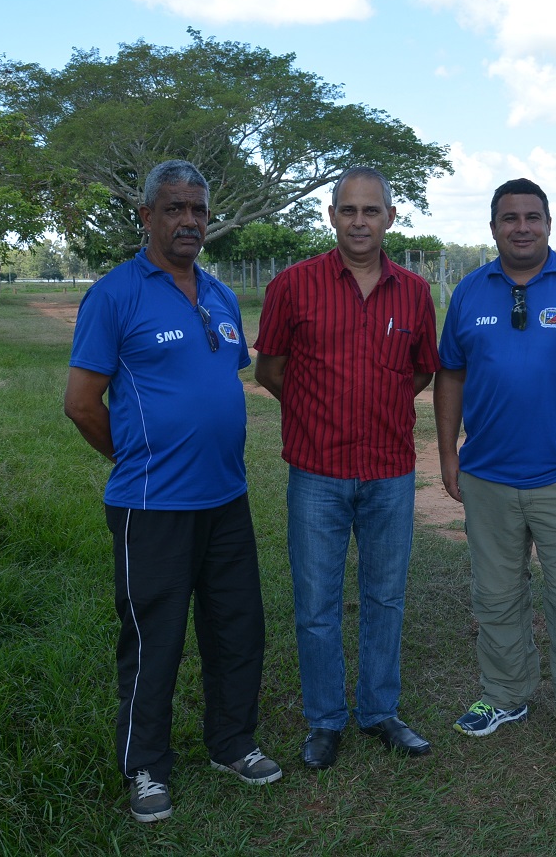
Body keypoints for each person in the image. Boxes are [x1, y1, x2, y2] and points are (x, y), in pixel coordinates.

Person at [63, 159, 280, 824]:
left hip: (226, 498)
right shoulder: (115, 295)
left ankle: (231, 741)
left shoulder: (217, 295)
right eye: (175, 209)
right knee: (154, 640)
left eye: (199, 211)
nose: (189, 221)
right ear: (147, 216)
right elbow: (81, 403)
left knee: (237, 629)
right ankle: (147, 767)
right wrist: (134, 458)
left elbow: (224, 379)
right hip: (152, 507)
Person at [434, 177, 556, 761]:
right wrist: (450, 455)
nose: (521, 227)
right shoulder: (470, 292)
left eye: (532, 217)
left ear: (550, 223)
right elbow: (450, 373)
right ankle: (505, 694)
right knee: (495, 596)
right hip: (489, 477)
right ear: (492, 227)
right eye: (509, 218)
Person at [254, 166, 440, 770]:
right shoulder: (293, 285)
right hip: (317, 472)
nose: (359, 222)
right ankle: (325, 719)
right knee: (316, 601)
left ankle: (380, 711)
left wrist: (372, 407)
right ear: (332, 216)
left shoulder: (413, 292)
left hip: (389, 471)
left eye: (371, 211)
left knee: (385, 597)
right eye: (348, 210)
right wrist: (318, 413)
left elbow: (419, 372)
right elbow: (271, 371)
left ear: (390, 218)